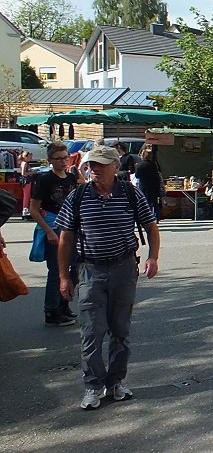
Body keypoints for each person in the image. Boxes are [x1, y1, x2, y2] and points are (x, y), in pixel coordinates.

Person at [56, 144, 160, 410]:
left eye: (101, 164)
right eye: (92, 164)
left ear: (116, 166)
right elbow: (66, 237)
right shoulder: (78, 196)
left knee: (120, 330)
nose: (95, 169)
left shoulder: (129, 193)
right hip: (90, 270)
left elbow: (150, 226)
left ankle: (115, 382)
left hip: (124, 267)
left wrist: (152, 257)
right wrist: (64, 277)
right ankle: (92, 386)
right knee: (92, 331)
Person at [30, 141, 79, 326]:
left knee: (74, 268)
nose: (63, 161)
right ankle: (51, 311)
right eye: (59, 159)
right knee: (56, 271)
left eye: (66, 157)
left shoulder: (71, 178)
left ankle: (64, 304)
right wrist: (49, 231)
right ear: (50, 160)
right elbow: (34, 209)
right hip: (54, 225)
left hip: (71, 227)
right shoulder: (44, 180)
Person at [133, 145, 164, 221]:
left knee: (147, 202)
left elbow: (137, 176)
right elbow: (158, 174)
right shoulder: (154, 164)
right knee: (155, 202)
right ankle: (157, 217)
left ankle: (149, 217)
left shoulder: (140, 165)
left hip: (144, 186)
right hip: (154, 185)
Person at [19, 149, 35, 219]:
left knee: (27, 196)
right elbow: (23, 173)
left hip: (27, 181)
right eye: (30, 157)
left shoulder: (23, 163)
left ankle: (25, 209)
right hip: (27, 181)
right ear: (26, 157)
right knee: (27, 196)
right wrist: (32, 172)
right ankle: (25, 210)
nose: (31, 159)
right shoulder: (24, 163)